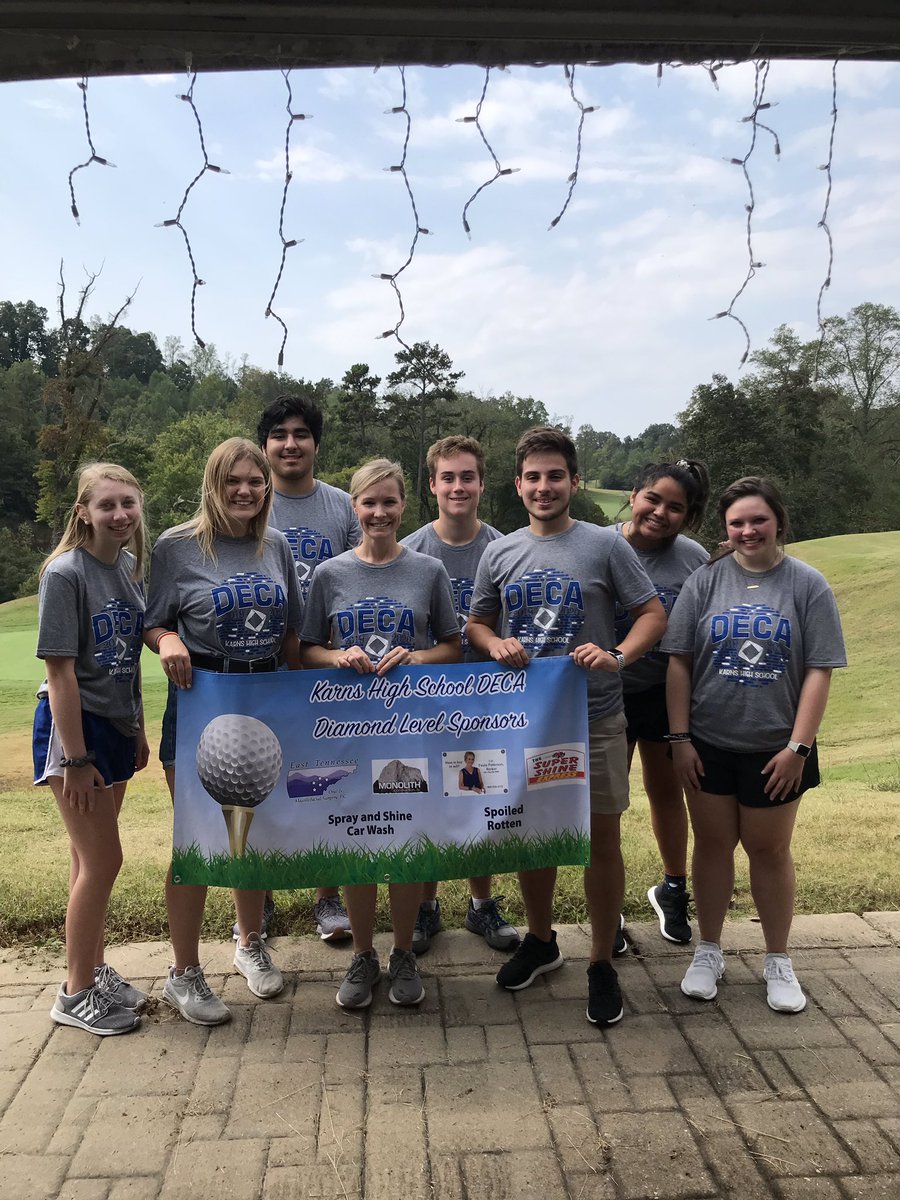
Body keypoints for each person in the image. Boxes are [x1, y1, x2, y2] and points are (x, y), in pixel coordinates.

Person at [468, 426, 666, 1027]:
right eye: (533, 477)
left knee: (600, 843)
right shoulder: (500, 552)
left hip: (596, 717)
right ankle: (541, 939)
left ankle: (602, 962)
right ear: (518, 485)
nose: (544, 486)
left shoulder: (605, 545)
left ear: (574, 482)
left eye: (555, 475)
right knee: (535, 834)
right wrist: (496, 642)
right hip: (525, 722)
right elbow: (475, 623)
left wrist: (618, 656)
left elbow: (652, 613)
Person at [663, 476, 847, 1014]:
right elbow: (680, 661)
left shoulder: (807, 585)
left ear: (779, 522)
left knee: (769, 850)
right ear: (726, 529)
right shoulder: (705, 581)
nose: (747, 531)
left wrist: (799, 748)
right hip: (709, 742)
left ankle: (777, 959)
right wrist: (679, 740)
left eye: (757, 520)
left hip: (776, 749)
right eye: (737, 523)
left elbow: (819, 670)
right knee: (713, 845)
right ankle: (709, 949)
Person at [144, 438, 302, 1025]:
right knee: (198, 837)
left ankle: (249, 942)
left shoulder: (276, 545)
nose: (244, 491)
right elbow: (154, 620)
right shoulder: (176, 547)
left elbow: (290, 635)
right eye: (232, 480)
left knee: (251, 833)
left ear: (266, 487)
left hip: (266, 700)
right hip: (200, 699)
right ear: (213, 483)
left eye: (254, 482)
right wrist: (169, 639)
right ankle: (183, 973)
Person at [300, 458, 460, 1009]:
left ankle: (404, 953)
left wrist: (415, 656)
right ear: (354, 508)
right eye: (369, 503)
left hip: (408, 732)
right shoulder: (330, 574)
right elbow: (304, 650)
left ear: (402, 506)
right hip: (345, 734)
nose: (379, 512)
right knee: (357, 843)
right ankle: (363, 955)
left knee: (407, 843)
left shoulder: (427, 571)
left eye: (389, 502)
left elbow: (452, 645)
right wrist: (335, 655)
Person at [34, 464, 150, 1036]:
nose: (120, 515)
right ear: (83, 511)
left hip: (114, 724)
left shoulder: (127, 568)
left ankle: (94, 969)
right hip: (74, 731)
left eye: (128, 503)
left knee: (88, 861)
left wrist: (138, 728)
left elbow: (129, 660)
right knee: (104, 861)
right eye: (107, 505)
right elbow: (60, 674)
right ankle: (73, 993)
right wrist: (76, 761)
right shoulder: (66, 573)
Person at [400, 435, 518, 955]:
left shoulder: (507, 547)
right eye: (447, 477)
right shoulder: (411, 551)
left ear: (481, 482)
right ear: (432, 485)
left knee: (482, 800)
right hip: (426, 700)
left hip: (487, 698)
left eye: (467, 476)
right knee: (424, 802)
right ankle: (426, 907)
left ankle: (481, 905)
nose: (458, 486)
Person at [257, 393, 361, 942]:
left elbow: (361, 578)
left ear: (316, 444)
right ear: (265, 446)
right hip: (261, 669)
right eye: (279, 435)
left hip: (327, 668)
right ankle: (261, 897)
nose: (290, 444)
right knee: (262, 780)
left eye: (300, 434)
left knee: (328, 783)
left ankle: (328, 898)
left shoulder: (343, 506)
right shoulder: (250, 501)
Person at [615, 460, 710, 945]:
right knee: (599, 805)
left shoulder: (693, 558)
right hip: (601, 693)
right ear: (634, 494)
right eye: (653, 498)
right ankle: (606, 906)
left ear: (688, 516)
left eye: (676, 507)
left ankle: (673, 888)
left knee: (666, 790)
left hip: (662, 691)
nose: (660, 512)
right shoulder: (599, 543)